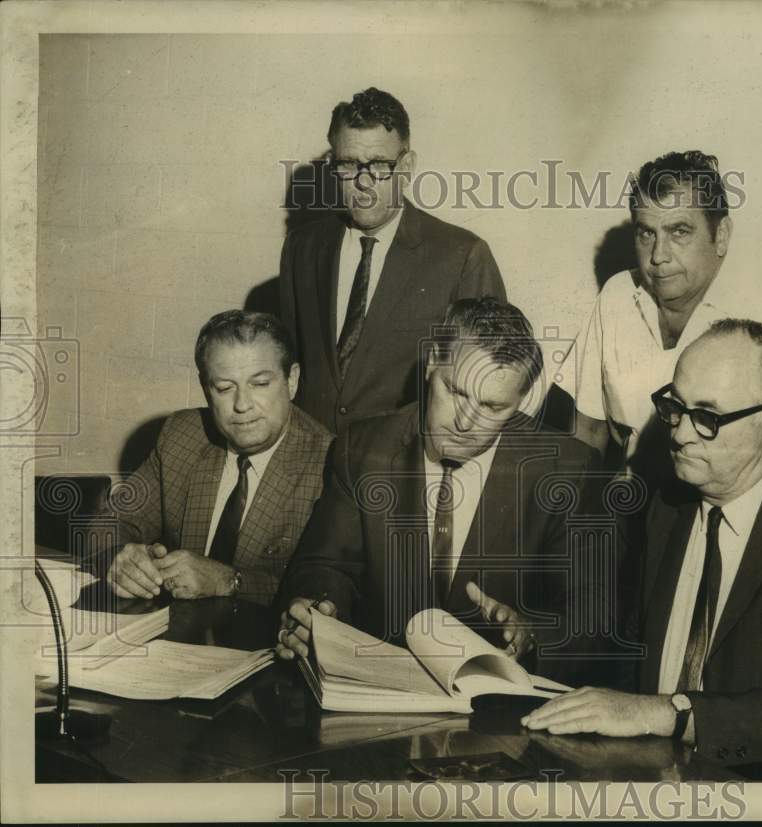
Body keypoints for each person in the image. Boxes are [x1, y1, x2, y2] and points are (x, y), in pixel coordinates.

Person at [524, 319, 762, 782]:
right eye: (674, 407)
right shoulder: (667, 503)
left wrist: (665, 714)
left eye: (707, 417)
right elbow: (627, 651)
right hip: (670, 780)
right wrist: (531, 639)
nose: (680, 433)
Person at [275, 298, 616, 684]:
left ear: (523, 399)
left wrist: (531, 635)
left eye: (492, 406)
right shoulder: (365, 447)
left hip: (499, 705)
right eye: (456, 392)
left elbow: (592, 618)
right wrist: (317, 609)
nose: (465, 422)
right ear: (433, 363)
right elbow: (327, 565)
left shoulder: (568, 470)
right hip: (379, 691)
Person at [279, 87, 507, 435]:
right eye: (349, 164)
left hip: (399, 470)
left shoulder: (463, 255)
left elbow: (485, 383)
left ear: (407, 165)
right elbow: (292, 365)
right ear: (333, 166)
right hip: (309, 460)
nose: (364, 182)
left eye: (380, 166)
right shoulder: (302, 247)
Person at [573, 151, 762, 475]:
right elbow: (587, 429)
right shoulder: (617, 294)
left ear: (721, 235)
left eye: (679, 232)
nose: (658, 256)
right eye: (647, 233)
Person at [102, 311, 331, 606]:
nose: (242, 405)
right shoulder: (181, 435)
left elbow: (325, 592)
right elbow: (108, 523)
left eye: (260, 384)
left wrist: (229, 581)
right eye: (224, 388)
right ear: (206, 389)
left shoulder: (329, 462)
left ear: (292, 380)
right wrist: (122, 557)